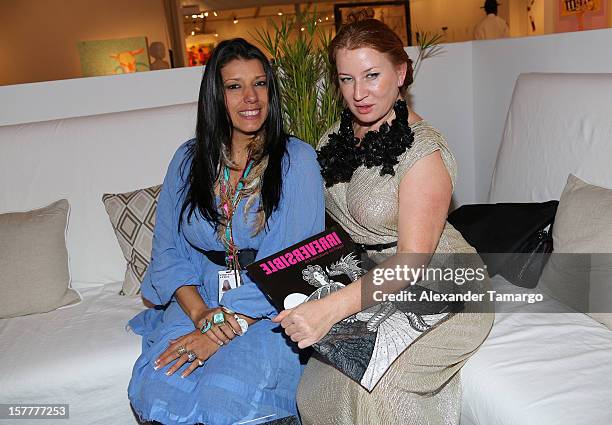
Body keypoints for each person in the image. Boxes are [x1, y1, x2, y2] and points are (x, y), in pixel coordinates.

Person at [273, 19, 494, 424]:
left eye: (372, 75)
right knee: (321, 387)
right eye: (346, 79)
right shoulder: (336, 137)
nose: (358, 93)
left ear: (401, 72)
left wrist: (330, 309)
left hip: (441, 285)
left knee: (380, 388)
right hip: (369, 281)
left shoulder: (423, 153)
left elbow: (412, 262)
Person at [127, 38, 324, 425]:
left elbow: (288, 265)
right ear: (216, 95)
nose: (250, 97)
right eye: (235, 86)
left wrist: (220, 330)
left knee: (226, 398)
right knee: (160, 389)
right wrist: (202, 315)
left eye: (260, 83)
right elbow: (167, 251)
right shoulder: (188, 160)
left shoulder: (296, 161)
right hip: (198, 300)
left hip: (267, 309)